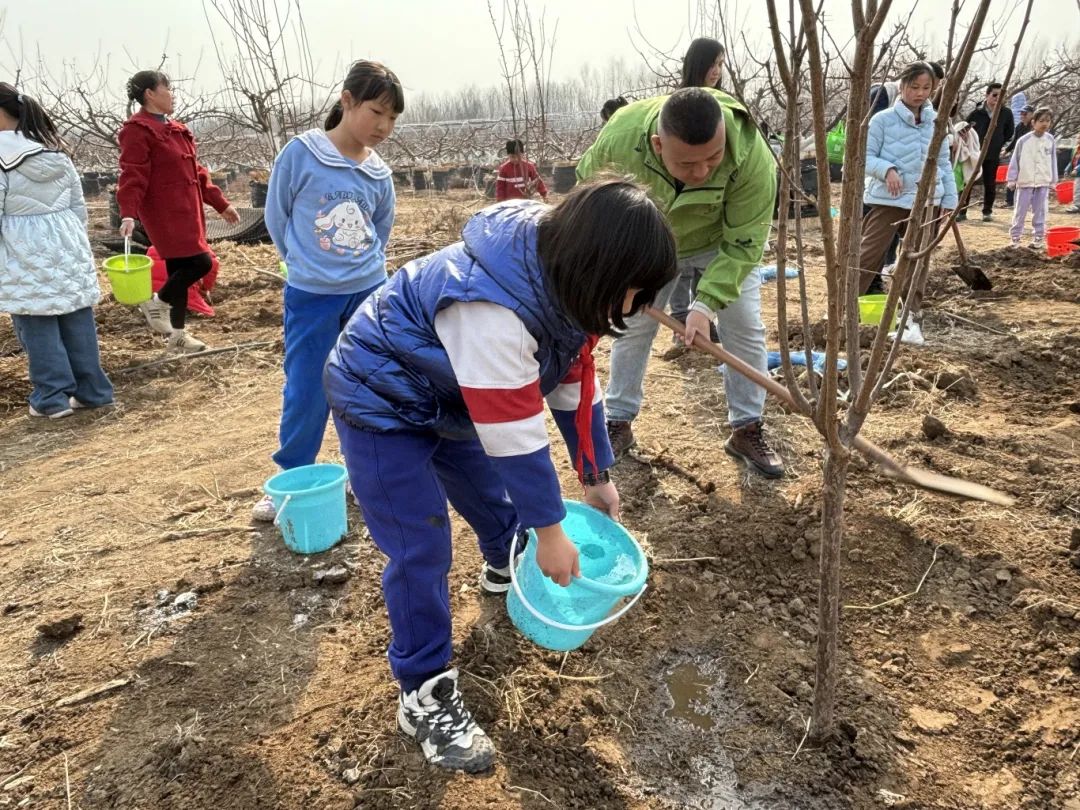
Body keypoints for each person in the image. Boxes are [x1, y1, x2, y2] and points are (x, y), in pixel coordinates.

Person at [322, 180, 677, 772]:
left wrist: (594, 472)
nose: (639, 307)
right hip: (379, 395)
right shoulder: (493, 308)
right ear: (599, 270)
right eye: (635, 292)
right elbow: (513, 435)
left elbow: (570, 378)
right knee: (421, 546)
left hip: (447, 394)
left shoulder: (565, 282)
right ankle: (424, 688)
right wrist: (551, 529)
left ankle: (505, 568)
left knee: (494, 506)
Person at [576, 88, 784, 478]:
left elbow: (745, 241)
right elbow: (590, 197)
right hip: (654, 243)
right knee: (634, 327)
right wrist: (612, 265)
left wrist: (705, 305)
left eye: (713, 158)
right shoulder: (621, 140)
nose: (702, 171)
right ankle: (618, 422)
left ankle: (747, 426)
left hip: (721, 243)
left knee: (744, 328)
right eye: (688, 164)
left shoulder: (752, 154)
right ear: (658, 144)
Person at [252, 61, 404, 522]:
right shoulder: (303, 154)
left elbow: (381, 229)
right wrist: (304, 262)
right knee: (306, 386)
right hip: (312, 295)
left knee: (367, 386)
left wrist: (363, 270)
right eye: (377, 111)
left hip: (367, 293)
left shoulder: (379, 174)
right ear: (347, 101)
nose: (384, 126)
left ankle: (365, 474)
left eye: (393, 119)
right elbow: (277, 218)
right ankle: (292, 477)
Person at [0, 84, 113, 418]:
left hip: (24, 249)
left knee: (37, 323)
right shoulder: (56, 154)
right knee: (76, 316)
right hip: (68, 243)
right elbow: (78, 207)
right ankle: (94, 391)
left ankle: (51, 397)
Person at [116, 70, 240, 353]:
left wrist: (220, 204)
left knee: (179, 270)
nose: (172, 94)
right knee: (201, 263)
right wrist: (128, 213)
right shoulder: (138, 130)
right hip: (165, 214)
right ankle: (157, 302)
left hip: (189, 211)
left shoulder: (177, 129)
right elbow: (132, 175)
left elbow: (197, 172)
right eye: (167, 88)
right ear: (150, 93)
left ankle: (178, 336)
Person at [857, 61, 957, 346]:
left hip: (925, 202)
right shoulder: (882, 120)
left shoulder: (936, 122)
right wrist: (886, 169)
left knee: (916, 260)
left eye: (927, 88)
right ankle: (845, 313)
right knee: (868, 255)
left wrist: (948, 199)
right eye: (914, 87)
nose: (920, 93)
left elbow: (944, 163)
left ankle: (911, 319)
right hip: (887, 200)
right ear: (901, 86)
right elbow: (864, 156)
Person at [1006, 108, 1058, 249]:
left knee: (1040, 210)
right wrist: (1012, 178)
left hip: (1043, 180)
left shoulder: (1050, 140)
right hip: (1025, 180)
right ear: (1033, 122)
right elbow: (1015, 159)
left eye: (1047, 121)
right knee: (1020, 210)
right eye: (1041, 121)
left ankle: (1038, 237)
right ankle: (1015, 238)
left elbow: (1052, 160)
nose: (1044, 124)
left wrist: (1053, 180)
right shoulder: (1024, 140)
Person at [964, 82, 1014, 222]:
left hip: (993, 154)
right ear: (987, 95)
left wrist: (998, 142)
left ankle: (987, 212)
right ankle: (962, 211)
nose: (997, 98)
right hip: (975, 154)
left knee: (990, 183)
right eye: (994, 95)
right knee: (969, 182)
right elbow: (966, 130)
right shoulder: (976, 113)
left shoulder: (1006, 113)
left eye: (1001, 96)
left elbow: (1010, 132)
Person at [1003, 104, 1034, 208]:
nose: (1023, 116)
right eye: (1021, 113)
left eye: (1025, 113)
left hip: (1031, 158)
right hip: (1018, 156)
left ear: (1031, 115)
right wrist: (1006, 150)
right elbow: (1015, 141)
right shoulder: (1019, 126)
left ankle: (1029, 201)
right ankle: (1009, 201)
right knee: (1012, 176)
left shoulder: (1034, 127)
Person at [1066, 138, 1080, 215]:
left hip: (1078, 172)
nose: (1078, 139)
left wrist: (1076, 169)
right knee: (1077, 189)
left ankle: (1077, 206)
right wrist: (1067, 169)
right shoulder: (1075, 149)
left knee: (1077, 190)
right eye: (1078, 138)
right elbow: (1072, 161)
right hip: (1077, 173)